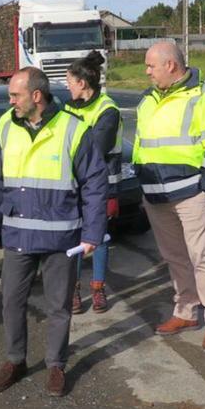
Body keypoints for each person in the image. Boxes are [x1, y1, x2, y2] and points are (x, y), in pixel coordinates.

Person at [0, 67, 107, 397]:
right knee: (11, 302)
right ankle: (15, 360)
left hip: (60, 238)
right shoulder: (7, 125)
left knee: (59, 307)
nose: (10, 102)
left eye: (15, 95)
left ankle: (55, 365)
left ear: (37, 96)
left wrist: (92, 232)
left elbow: (94, 184)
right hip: (18, 235)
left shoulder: (74, 130)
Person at [135, 42, 205, 353]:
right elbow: (142, 145)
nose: (147, 72)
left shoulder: (204, 96)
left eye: (151, 66)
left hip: (190, 191)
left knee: (202, 258)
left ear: (170, 65)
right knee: (174, 257)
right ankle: (185, 312)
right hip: (156, 195)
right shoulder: (147, 100)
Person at [64, 51, 123, 314]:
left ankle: (98, 288)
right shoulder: (68, 108)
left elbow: (96, 148)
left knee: (98, 236)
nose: (67, 86)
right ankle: (73, 289)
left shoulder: (107, 109)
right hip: (74, 184)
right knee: (74, 237)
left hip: (103, 185)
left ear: (82, 84)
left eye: (70, 81)